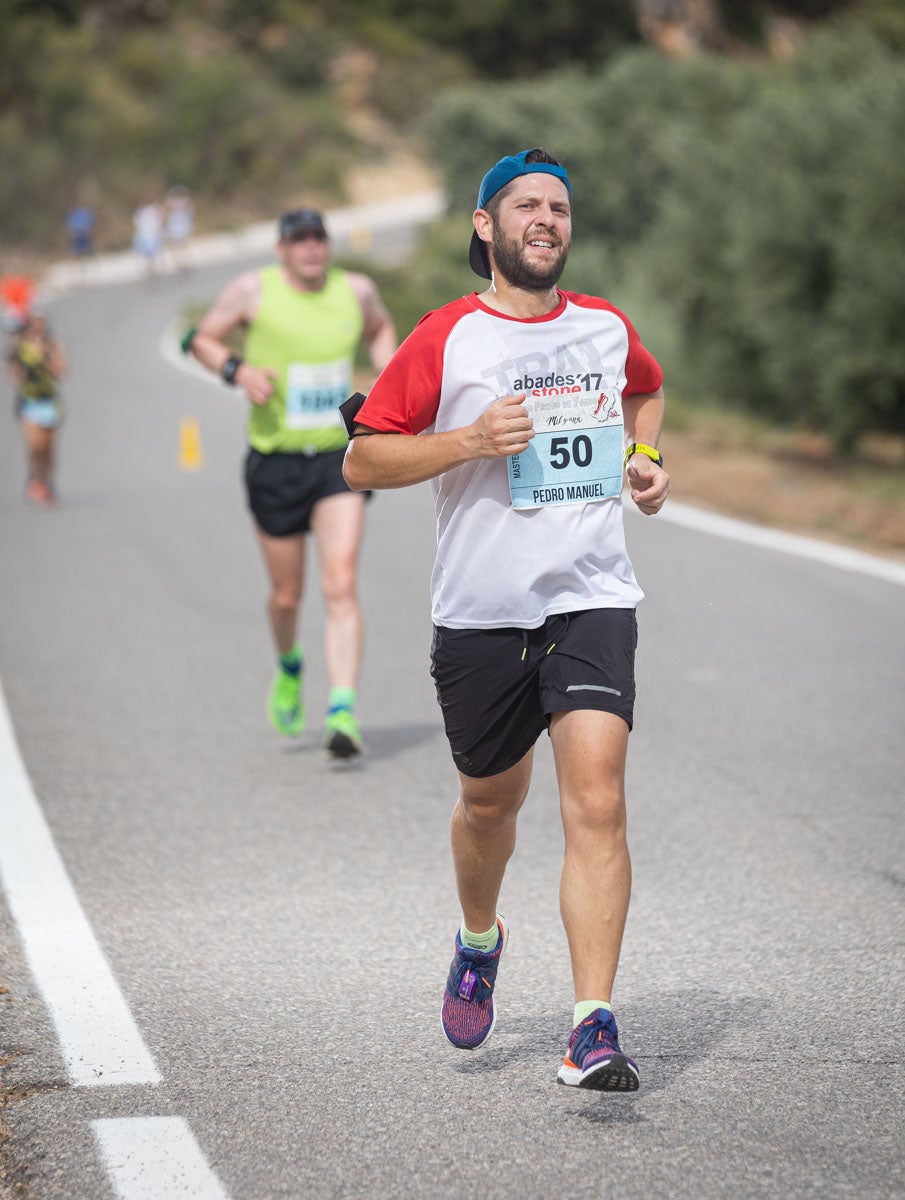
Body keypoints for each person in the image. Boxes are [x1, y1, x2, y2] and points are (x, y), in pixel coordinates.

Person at [343, 148, 670, 1090]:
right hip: (481, 613)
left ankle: (590, 1025)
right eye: (525, 206)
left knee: (598, 800)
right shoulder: (447, 337)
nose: (546, 220)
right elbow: (364, 461)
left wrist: (643, 456)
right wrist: (468, 442)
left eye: (559, 208)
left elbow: (645, 387)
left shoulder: (606, 329)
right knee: (490, 804)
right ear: (484, 226)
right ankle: (478, 937)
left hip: (591, 595)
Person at [190, 207, 397, 758]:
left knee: (340, 584)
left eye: (318, 239)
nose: (310, 248)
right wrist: (238, 371)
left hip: (336, 459)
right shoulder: (251, 290)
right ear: (281, 249)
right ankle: (289, 665)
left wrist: (388, 373)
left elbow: (380, 330)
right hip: (275, 461)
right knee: (288, 595)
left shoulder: (355, 290)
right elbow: (201, 339)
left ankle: (342, 709)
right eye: (298, 240)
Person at [7, 312, 67, 507]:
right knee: (36, 444)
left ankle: (47, 481)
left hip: (49, 401)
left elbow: (62, 371)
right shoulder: (19, 346)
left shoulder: (52, 344)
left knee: (48, 448)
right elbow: (12, 374)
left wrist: (45, 357)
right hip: (29, 401)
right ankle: (35, 479)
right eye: (35, 324)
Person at [164, 186, 195, 271]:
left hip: (180, 227)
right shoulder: (179, 204)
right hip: (176, 228)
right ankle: (180, 262)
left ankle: (182, 262)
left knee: (181, 246)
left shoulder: (179, 204)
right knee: (178, 246)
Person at [132, 201, 163, 277]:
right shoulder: (142, 212)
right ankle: (149, 268)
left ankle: (150, 268)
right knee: (146, 254)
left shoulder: (150, 211)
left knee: (151, 253)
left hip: (150, 235)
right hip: (145, 235)